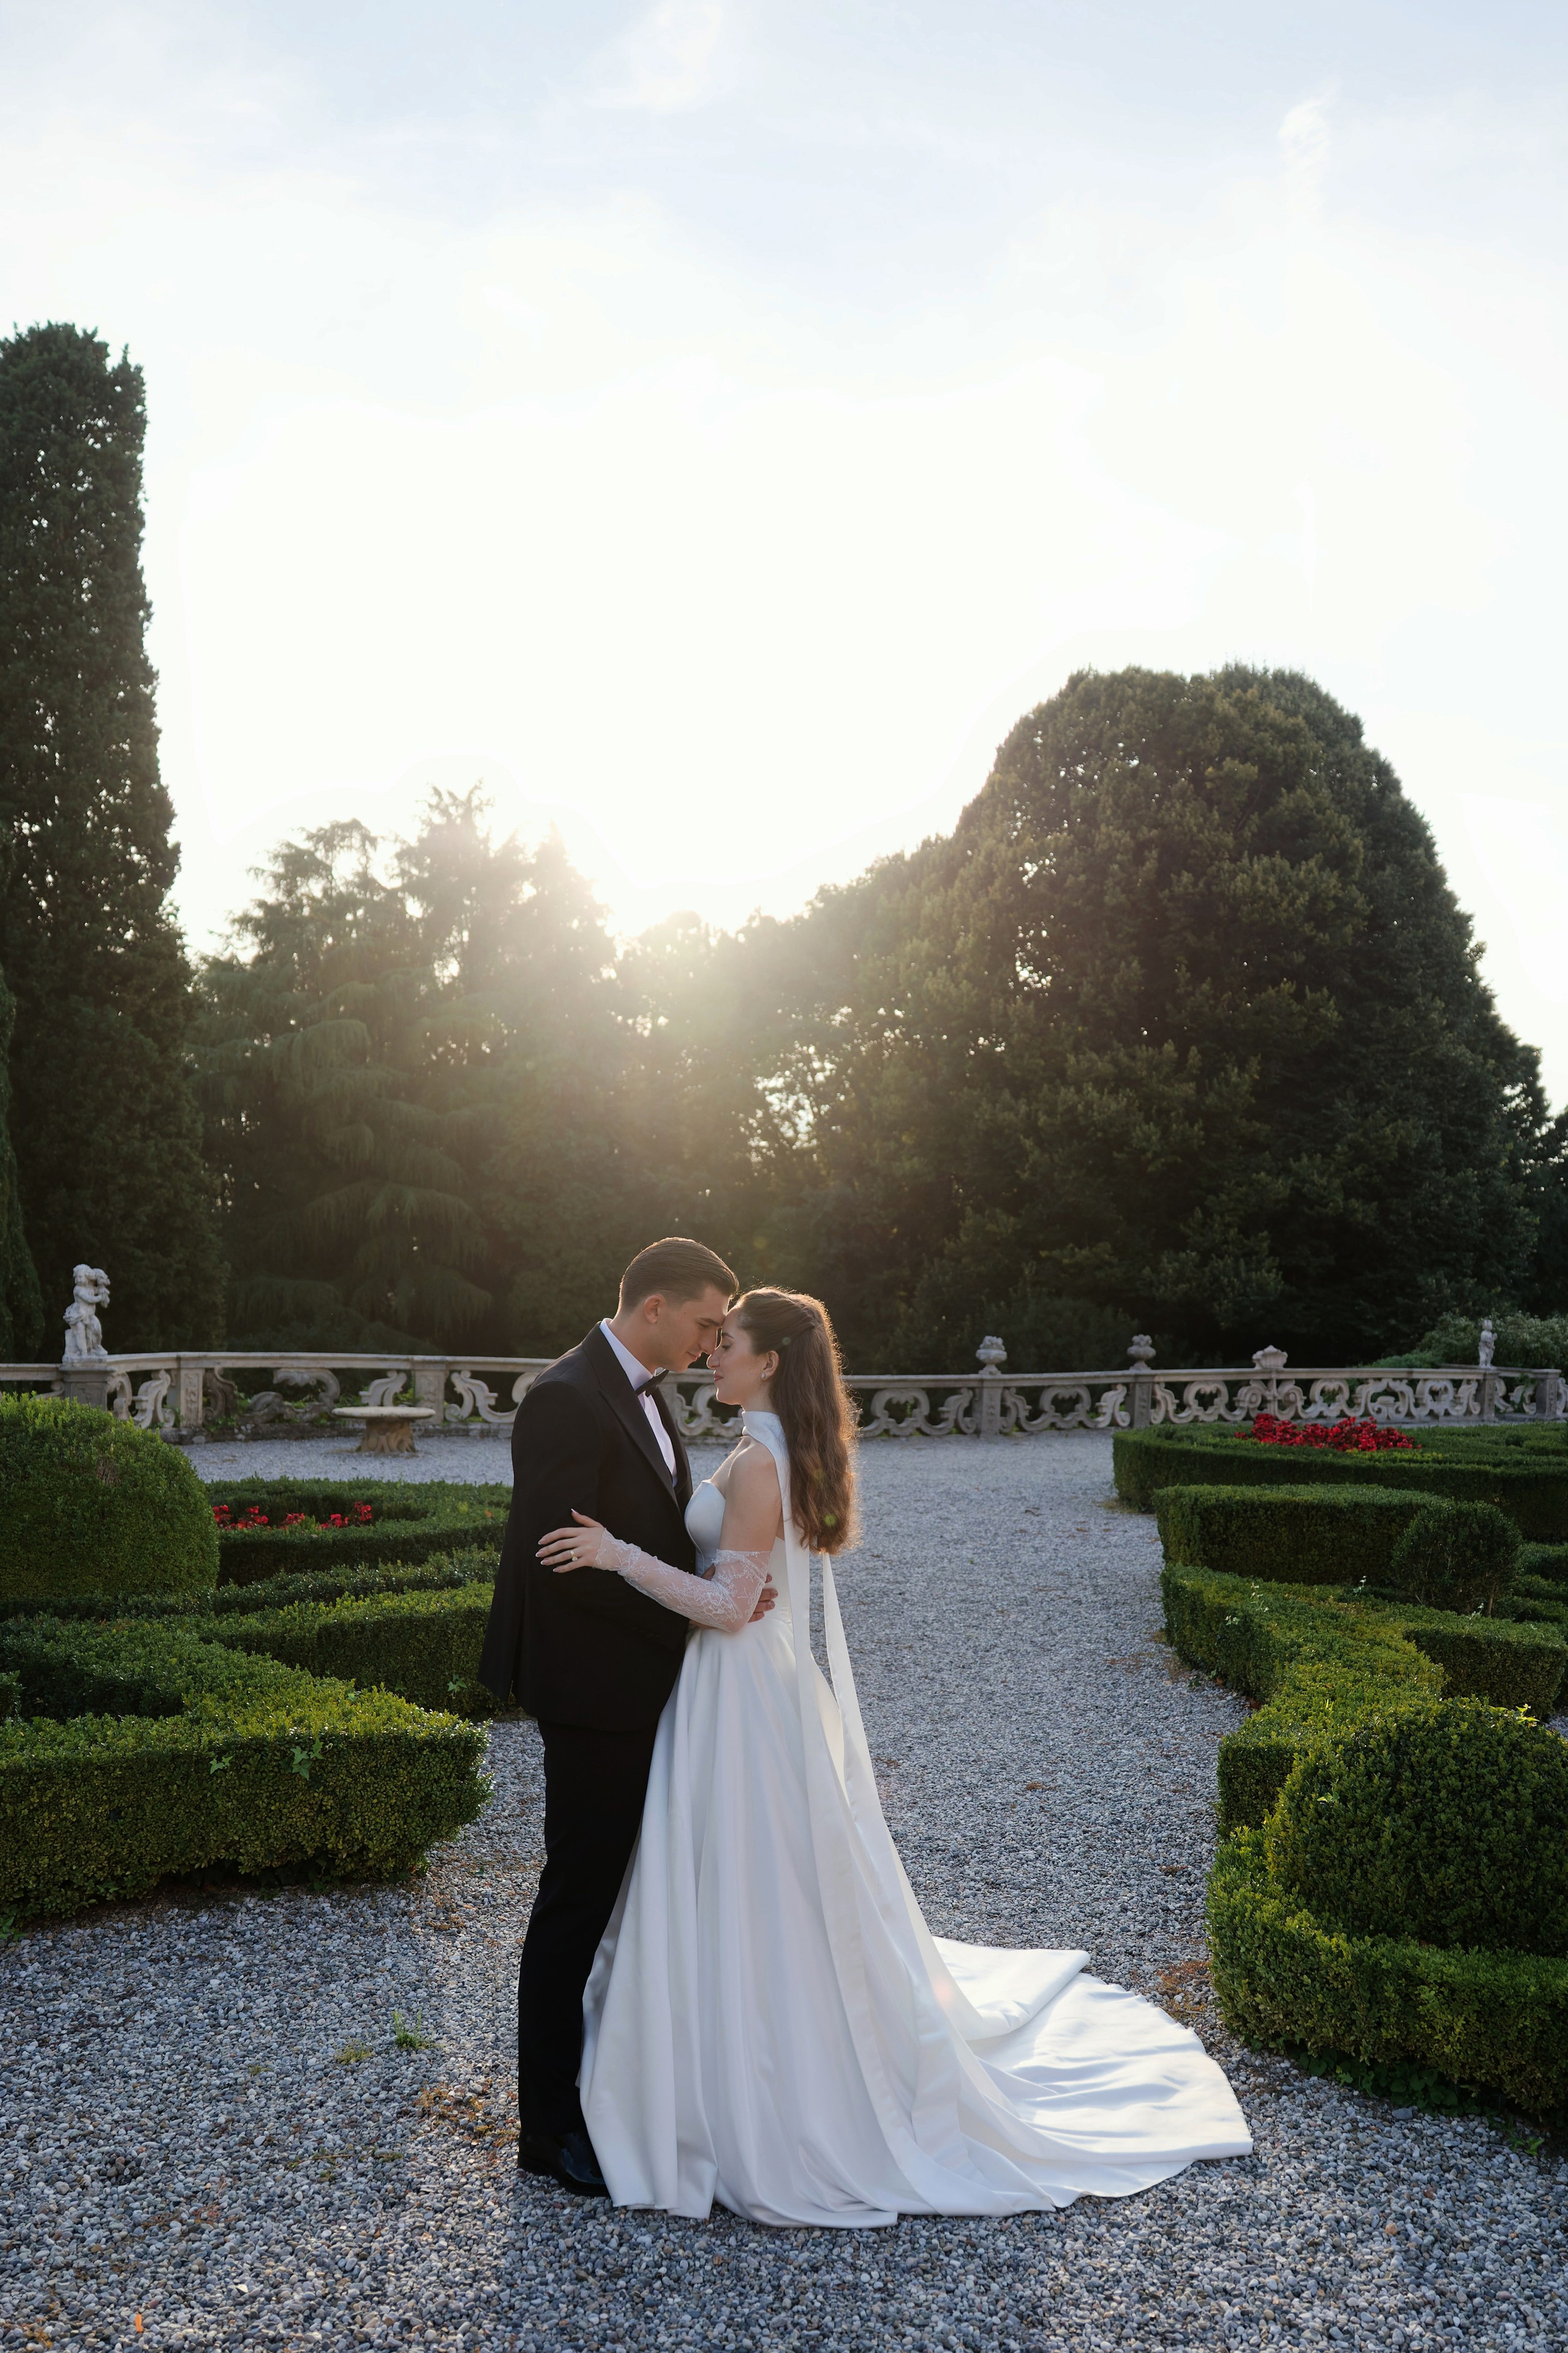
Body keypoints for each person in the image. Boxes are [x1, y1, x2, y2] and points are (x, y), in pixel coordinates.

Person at [538, 1286, 1253, 2226]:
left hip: (739, 1692)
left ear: (769, 1363)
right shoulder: (770, 1450)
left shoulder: (759, 1467)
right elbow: (738, 1589)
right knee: (756, 1877)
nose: (712, 1353)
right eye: (714, 1339)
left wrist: (617, 1553)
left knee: (741, 1874)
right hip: (749, 1682)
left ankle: (738, 2079)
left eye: (730, 1343)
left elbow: (723, 1605)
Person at [478, 1235, 770, 2197]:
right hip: (597, 1692)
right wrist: (693, 1608)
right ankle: (548, 2128)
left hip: (646, 1679)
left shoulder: (642, 1388)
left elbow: (639, 1534)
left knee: (625, 1900)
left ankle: (618, 2088)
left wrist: (714, 1594)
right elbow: (564, 1567)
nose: (710, 1340)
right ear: (654, 1307)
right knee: (577, 1902)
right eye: (703, 1324)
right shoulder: (566, 1396)